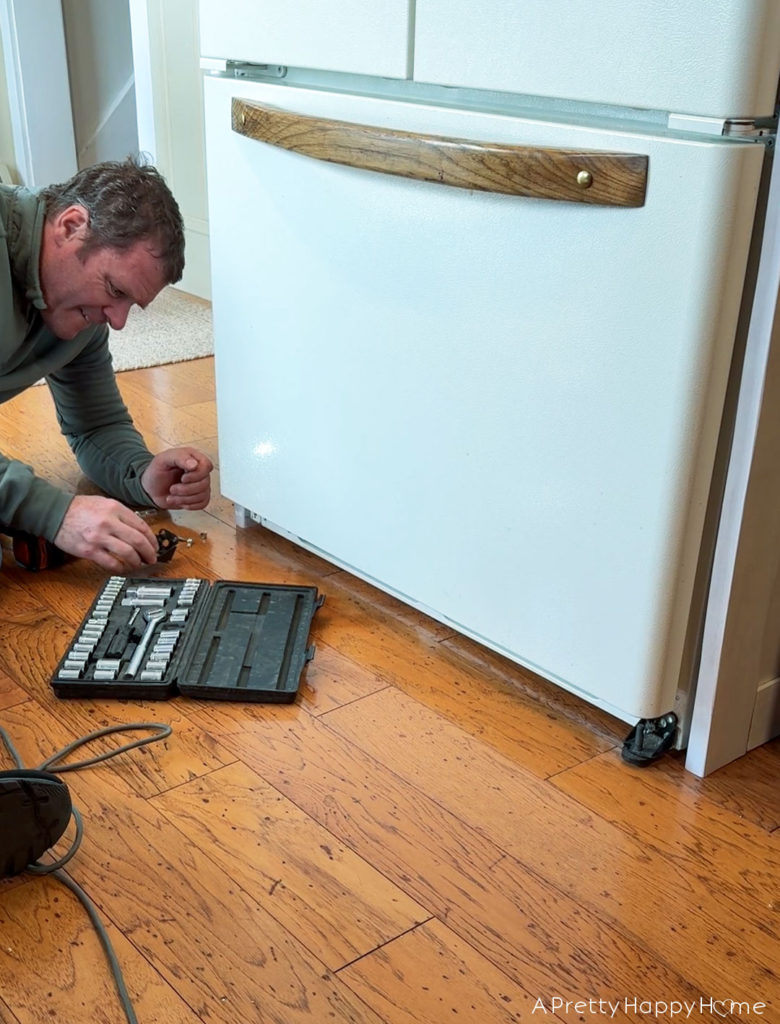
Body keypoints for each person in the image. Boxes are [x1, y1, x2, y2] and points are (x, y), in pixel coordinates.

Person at [0, 156, 213, 572]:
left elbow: (95, 425)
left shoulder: (83, 316)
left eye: (131, 304)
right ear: (71, 226)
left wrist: (142, 474)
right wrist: (53, 512)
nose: (117, 320)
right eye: (114, 289)